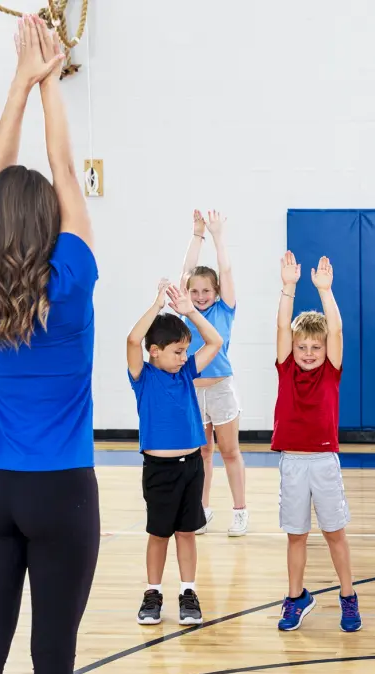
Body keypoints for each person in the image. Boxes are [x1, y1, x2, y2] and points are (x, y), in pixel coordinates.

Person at [0, 16, 98, 674]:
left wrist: (19, 80)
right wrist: (50, 83)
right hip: (62, 491)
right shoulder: (71, 282)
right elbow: (64, 168)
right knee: (51, 662)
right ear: (49, 224)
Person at [271, 252, 362, 632]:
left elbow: (336, 331)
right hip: (292, 461)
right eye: (302, 347)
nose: (308, 354)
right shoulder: (287, 367)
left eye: (315, 348)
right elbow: (280, 329)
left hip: (324, 462)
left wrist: (325, 291)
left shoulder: (331, 373)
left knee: (334, 534)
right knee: (296, 535)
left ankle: (348, 596)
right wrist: (288, 288)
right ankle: (296, 598)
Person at [127, 280, 223, 626]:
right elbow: (132, 340)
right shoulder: (143, 375)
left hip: (191, 467)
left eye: (185, 352)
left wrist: (191, 311)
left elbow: (215, 341)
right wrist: (157, 306)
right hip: (158, 469)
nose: (184, 357)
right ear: (155, 351)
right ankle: (153, 592)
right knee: (159, 533)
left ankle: (188, 591)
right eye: (177, 351)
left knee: (186, 532)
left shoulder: (186, 374)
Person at [180, 209, 249, 536]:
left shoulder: (225, 308)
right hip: (192, 390)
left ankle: (240, 511)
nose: (200, 296)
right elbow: (186, 272)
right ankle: (202, 510)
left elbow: (226, 268)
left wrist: (218, 235)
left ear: (217, 292)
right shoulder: (187, 312)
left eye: (206, 291)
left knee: (229, 451)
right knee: (202, 453)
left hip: (221, 389)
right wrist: (197, 235)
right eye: (194, 292)